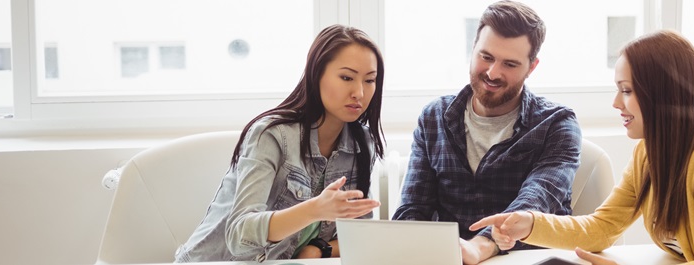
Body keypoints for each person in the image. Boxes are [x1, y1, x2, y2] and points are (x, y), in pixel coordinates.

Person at [471, 30, 694, 265]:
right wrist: (529, 224)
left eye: (627, 91)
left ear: (664, 95)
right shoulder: (649, 152)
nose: (617, 103)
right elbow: (603, 227)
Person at [175, 24, 386, 262]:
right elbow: (239, 234)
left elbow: (359, 236)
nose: (359, 92)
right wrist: (315, 209)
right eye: (346, 77)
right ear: (316, 75)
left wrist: (319, 249)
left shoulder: (362, 144)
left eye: (370, 80)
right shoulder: (272, 135)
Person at [391, 1, 581, 264]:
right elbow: (414, 209)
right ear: (473, 49)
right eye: (486, 57)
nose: (493, 73)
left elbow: (536, 200)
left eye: (510, 64)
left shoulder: (557, 124)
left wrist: (483, 245)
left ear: (532, 67)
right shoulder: (433, 118)